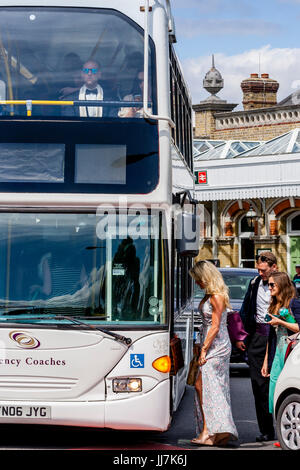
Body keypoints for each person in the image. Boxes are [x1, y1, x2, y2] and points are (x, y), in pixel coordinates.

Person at [189, 260, 238, 447]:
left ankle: (212, 431)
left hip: (217, 345)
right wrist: (199, 343)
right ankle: (215, 430)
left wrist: (203, 349)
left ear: (206, 277)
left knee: (212, 388)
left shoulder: (216, 296)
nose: (197, 283)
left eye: (198, 279)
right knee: (203, 386)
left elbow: (216, 326)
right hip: (210, 342)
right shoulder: (210, 295)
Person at [238, 251, 278, 442]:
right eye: (259, 270)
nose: (260, 273)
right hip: (257, 338)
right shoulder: (254, 283)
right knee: (258, 385)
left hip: (277, 338)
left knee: (277, 385)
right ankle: (266, 430)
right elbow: (246, 309)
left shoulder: (284, 284)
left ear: (274, 267)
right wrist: (242, 336)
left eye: (263, 270)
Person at [261, 272, 300, 415]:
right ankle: (279, 427)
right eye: (268, 284)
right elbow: (271, 336)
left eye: (272, 284)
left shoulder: (294, 303)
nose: (269, 287)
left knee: (287, 388)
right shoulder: (274, 304)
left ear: (281, 285)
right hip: (277, 352)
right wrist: (266, 361)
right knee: (273, 391)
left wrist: (280, 321)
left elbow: (298, 327)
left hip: (291, 352)